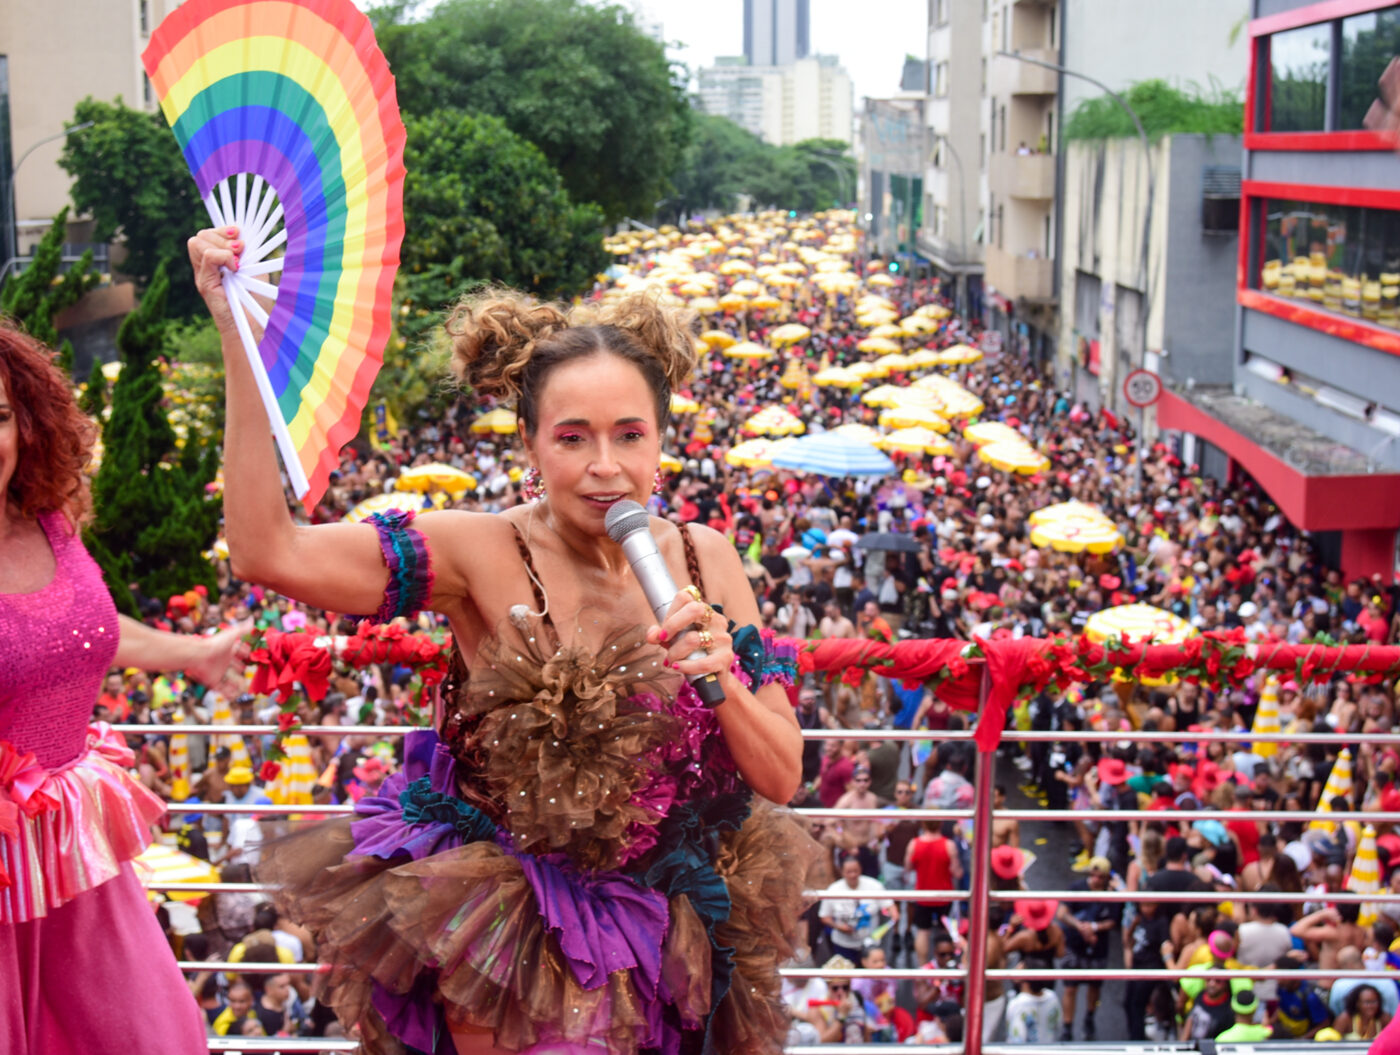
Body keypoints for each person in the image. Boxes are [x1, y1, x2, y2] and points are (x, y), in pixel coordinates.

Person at [189, 226, 826, 1055]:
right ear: (528, 444)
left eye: (630, 435)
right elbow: (267, 551)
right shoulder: (477, 550)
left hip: (676, 941)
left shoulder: (708, 560)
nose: (606, 466)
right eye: (573, 437)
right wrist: (236, 335)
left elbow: (780, 771)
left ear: (663, 442)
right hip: (512, 943)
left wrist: (725, 678)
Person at [0, 322, 244, 1053]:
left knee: (152, 1030)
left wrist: (194, 653)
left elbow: (80, 630)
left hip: (72, 846)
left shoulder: (50, 519)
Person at [818, 854, 894, 959]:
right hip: (843, 944)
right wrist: (838, 926)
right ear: (842, 872)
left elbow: (890, 907)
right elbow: (824, 917)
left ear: (861, 869)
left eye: (856, 871)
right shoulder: (833, 890)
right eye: (849, 872)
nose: (853, 875)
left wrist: (889, 919)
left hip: (870, 944)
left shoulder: (874, 886)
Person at [1004, 955, 1062, 1044]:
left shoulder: (1017, 1004)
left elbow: (1016, 1039)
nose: (1015, 969)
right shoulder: (1052, 996)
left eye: (1020, 968)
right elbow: (1058, 1024)